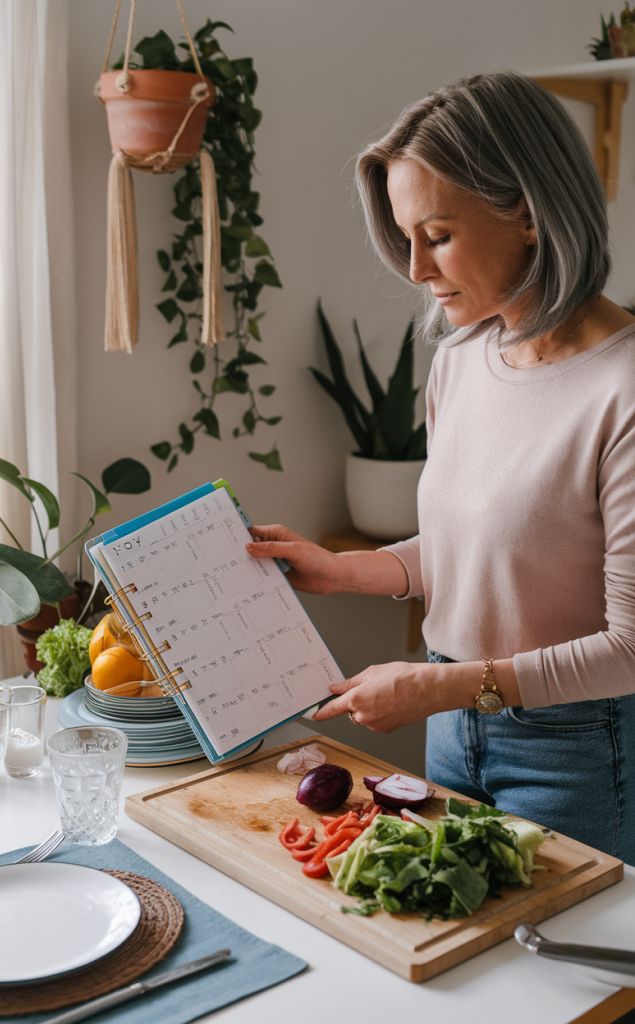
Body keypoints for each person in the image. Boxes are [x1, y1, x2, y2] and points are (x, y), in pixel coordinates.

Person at [246, 71, 635, 863]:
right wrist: (340, 572)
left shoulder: (621, 388)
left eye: (439, 235)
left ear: (528, 213)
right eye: (404, 237)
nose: (416, 269)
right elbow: (487, 548)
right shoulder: (461, 359)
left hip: (577, 749)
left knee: (565, 982)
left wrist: (437, 689)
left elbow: (629, 650)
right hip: (454, 730)